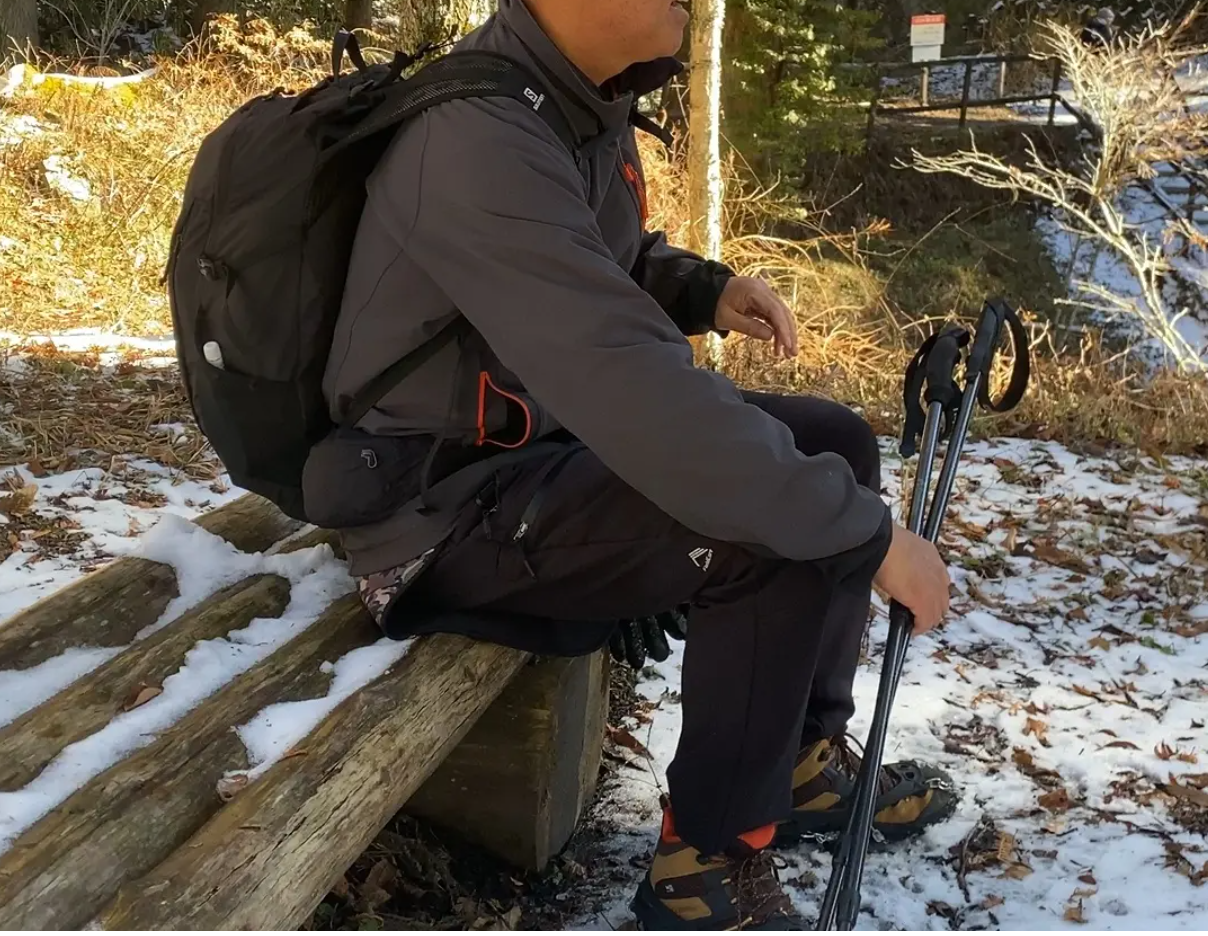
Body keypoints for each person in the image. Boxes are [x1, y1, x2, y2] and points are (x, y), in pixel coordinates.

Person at [313, 0, 957, 928]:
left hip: (531, 453)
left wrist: (702, 288)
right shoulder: (474, 137)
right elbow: (630, 383)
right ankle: (705, 866)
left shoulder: (572, 98)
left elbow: (589, 258)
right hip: (435, 511)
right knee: (775, 530)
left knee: (833, 444)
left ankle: (799, 761)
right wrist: (873, 539)